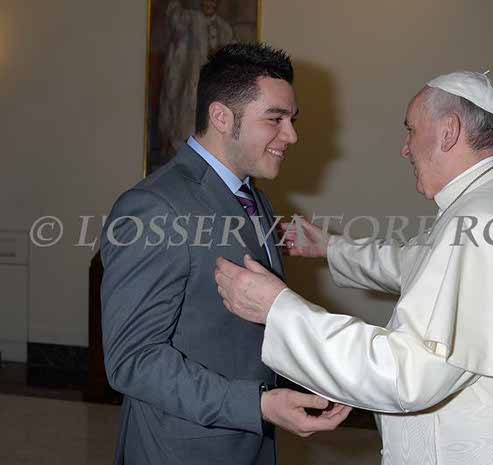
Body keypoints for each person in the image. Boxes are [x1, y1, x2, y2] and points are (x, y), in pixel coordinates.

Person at [215, 71, 493, 465]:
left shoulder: (481, 218)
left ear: (448, 131)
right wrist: (330, 247)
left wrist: (279, 309)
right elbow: (420, 264)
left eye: (411, 130)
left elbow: (407, 376)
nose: (404, 148)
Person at [101, 43, 350, 465]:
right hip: (181, 450)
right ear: (221, 117)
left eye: (291, 120)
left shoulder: (254, 198)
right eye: (275, 119)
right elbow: (133, 360)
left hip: (251, 444)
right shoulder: (154, 208)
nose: (291, 135)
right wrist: (256, 405)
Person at [159, 0, 235, 157]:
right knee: (186, 130)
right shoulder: (190, 20)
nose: (209, 4)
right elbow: (174, 21)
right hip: (191, 89)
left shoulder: (225, 28)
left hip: (216, 90)